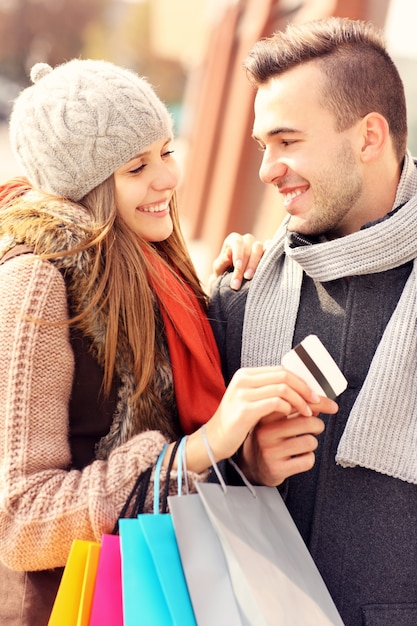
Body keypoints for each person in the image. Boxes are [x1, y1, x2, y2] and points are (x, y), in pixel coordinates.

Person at [0, 59, 337, 625]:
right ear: (90, 187)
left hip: (163, 590)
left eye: (166, 151)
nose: (169, 178)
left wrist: (229, 295)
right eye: (137, 167)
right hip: (79, 606)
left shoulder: (154, 266)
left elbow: (174, 421)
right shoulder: (37, 280)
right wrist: (198, 449)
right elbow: (20, 520)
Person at [209, 16, 417, 626]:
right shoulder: (240, 291)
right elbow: (175, 459)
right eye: (261, 146)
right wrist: (243, 464)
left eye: (288, 140)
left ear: (370, 137)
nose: (266, 168)